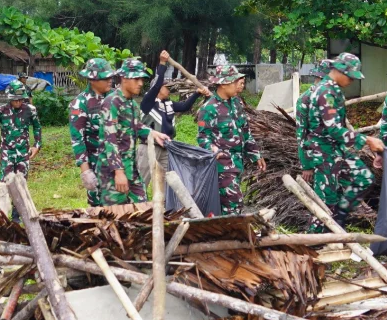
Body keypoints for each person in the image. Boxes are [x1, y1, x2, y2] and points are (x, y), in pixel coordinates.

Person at [297, 53, 385, 227]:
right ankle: (313, 244)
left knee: (364, 176)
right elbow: (334, 129)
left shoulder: (334, 90)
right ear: (339, 70)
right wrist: (367, 140)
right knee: (325, 204)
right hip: (324, 153)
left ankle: (341, 215)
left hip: (337, 150)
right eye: (351, 77)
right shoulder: (325, 92)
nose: (352, 81)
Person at [98, 59, 169, 205]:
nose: (141, 83)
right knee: (114, 217)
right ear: (124, 78)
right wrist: (118, 172)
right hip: (112, 172)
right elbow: (109, 140)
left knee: (142, 208)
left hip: (131, 168)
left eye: (142, 79)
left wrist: (153, 134)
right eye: (136, 79)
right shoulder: (112, 102)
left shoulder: (132, 104)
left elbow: (137, 127)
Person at [197, 65, 265, 216]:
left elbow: (245, 131)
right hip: (222, 164)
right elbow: (202, 137)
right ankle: (232, 232)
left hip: (238, 161)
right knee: (234, 201)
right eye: (235, 82)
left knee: (228, 203)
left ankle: (225, 232)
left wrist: (256, 154)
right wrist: (213, 149)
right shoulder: (209, 109)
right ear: (223, 84)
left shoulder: (237, 103)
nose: (239, 85)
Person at [139, 50, 211, 183]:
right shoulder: (148, 102)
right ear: (159, 88)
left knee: (171, 180)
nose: (170, 90)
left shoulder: (168, 104)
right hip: (149, 146)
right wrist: (162, 63)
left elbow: (184, 106)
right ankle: (136, 203)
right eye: (167, 87)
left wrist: (197, 93)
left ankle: (167, 203)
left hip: (166, 147)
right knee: (142, 181)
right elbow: (156, 84)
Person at [0, 80, 42, 221]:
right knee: (4, 184)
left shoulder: (30, 110)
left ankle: (18, 215)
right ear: (10, 98)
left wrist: (37, 145)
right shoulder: (0, 111)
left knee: (21, 183)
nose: (19, 102)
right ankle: (3, 215)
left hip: (23, 153)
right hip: (7, 152)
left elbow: (37, 127)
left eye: (21, 99)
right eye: (16, 99)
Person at [69, 58, 115, 207]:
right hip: (96, 163)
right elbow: (77, 139)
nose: (110, 80)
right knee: (99, 209)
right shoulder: (81, 103)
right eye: (105, 77)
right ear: (93, 79)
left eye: (110, 77)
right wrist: (85, 171)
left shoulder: (115, 97)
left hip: (118, 161)